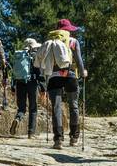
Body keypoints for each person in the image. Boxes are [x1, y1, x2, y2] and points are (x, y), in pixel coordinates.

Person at [37, 19, 87, 149]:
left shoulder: (50, 42)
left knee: (56, 107)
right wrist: (83, 72)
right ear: (68, 30)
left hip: (54, 76)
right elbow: (79, 60)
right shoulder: (73, 42)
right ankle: (74, 138)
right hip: (70, 74)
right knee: (74, 105)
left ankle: (58, 139)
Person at [8, 37, 43, 137]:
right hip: (32, 83)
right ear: (33, 47)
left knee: (22, 108)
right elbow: (38, 72)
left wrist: (13, 87)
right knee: (33, 108)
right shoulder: (34, 55)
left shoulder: (18, 55)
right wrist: (43, 87)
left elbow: (14, 72)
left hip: (19, 82)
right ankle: (31, 132)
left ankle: (17, 118)